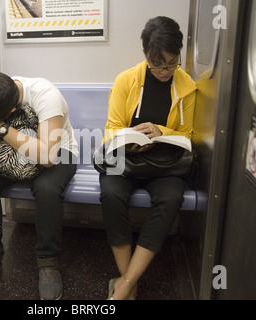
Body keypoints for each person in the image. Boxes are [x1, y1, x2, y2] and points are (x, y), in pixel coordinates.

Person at [100, 16, 197, 300]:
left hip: (168, 162)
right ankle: (128, 280)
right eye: (158, 63)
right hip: (128, 158)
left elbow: (187, 133)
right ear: (145, 55)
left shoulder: (187, 85)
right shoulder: (126, 80)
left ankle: (126, 284)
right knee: (111, 193)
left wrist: (159, 131)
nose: (165, 70)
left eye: (172, 63)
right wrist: (129, 140)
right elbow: (111, 128)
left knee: (170, 198)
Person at [0, 72, 78, 300]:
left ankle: (48, 262)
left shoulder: (46, 95)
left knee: (47, 187)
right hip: (11, 151)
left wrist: (4, 130)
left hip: (57, 151)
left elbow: (47, 156)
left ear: (10, 113)